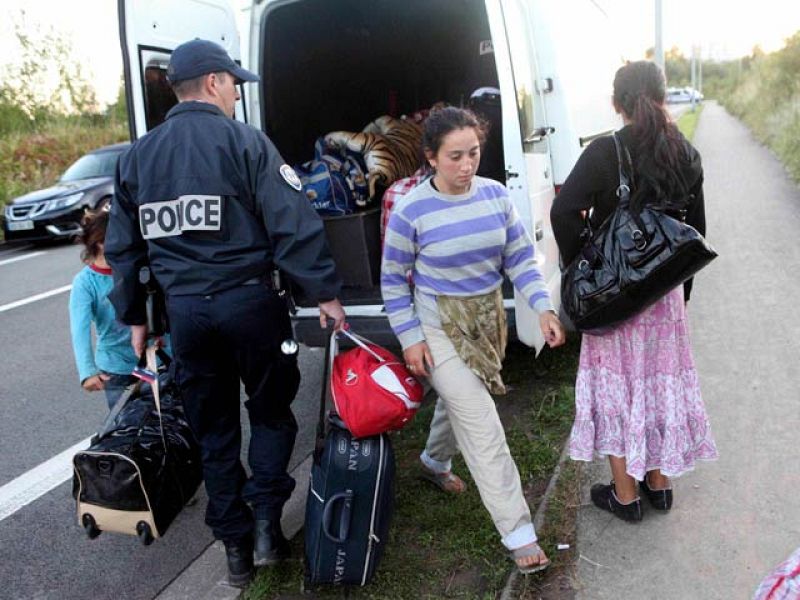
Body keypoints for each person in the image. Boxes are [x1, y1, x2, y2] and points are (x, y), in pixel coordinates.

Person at [104, 39, 346, 587]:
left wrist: (135, 317)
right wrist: (325, 292)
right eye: (234, 82)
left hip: (186, 316)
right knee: (269, 412)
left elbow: (125, 248)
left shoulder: (137, 158)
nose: (237, 92)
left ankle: (234, 547)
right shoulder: (245, 143)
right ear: (213, 82)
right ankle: (265, 526)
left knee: (212, 430)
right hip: (251, 304)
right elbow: (292, 221)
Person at [381, 106, 566, 574]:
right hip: (438, 323)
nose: (467, 166)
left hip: (485, 319)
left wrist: (542, 306)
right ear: (430, 158)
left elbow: (521, 257)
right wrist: (410, 337)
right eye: (455, 156)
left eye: (474, 154)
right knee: (481, 421)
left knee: (463, 396)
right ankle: (517, 529)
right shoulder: (410, 210)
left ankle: (432, 461)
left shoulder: (496, 196)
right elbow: (392, 281)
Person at [551, 60, 718, 522]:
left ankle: (625, 496)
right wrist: (680, 291)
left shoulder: (606, 152)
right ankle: (659, 485)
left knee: (618, 390)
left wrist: (585, 263)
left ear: (616, 104)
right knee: (659, 386)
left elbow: (565, 211)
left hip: (615, 298)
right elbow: (695, 231)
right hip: (664, 298)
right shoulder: (685, 152)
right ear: (664, 98)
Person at [69, 209, 138, 410]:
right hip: (115, 365)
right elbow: (79, 330)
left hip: (157, 357)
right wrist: (87, 372)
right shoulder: (85, 282)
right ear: (100, 242)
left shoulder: (137, 267)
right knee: (123, 429)